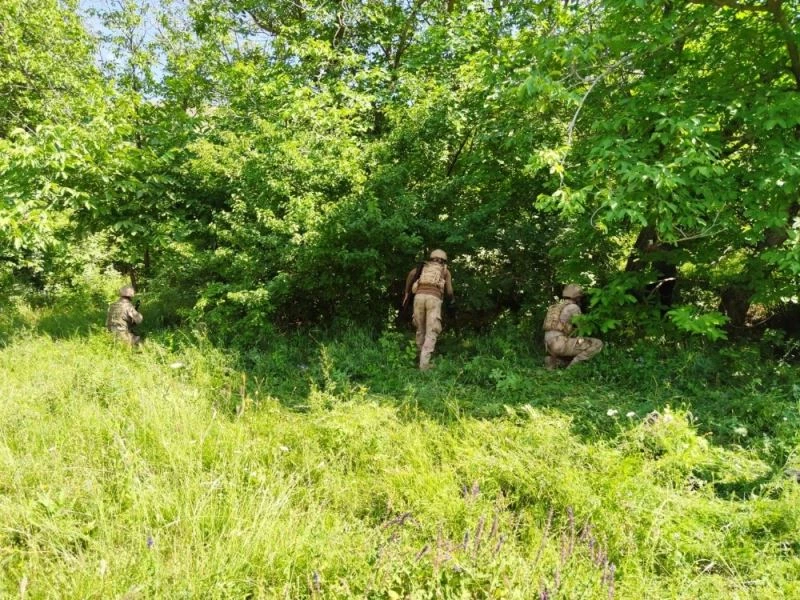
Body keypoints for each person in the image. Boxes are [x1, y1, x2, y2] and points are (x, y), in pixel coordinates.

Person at [403, 249, 454, 370]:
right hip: (433, 299)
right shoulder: (445, 271)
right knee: (432, 331)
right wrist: (451, 301)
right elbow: (449, 291)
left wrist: (406, 293)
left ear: (431, 258)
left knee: (420, 329)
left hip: (418, 298)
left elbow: (411, 275)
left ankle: (420, 359)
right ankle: (424, 366)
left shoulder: (422, 268)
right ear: (444, 260)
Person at [542, 283, 603, 369]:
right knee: (597, 343)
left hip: (548, 345)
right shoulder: (573, 307)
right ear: (577, 297)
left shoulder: (555, 307)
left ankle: (553, 361)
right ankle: (572, 369)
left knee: (574, 343)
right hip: (560, 344)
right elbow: (582, 328)